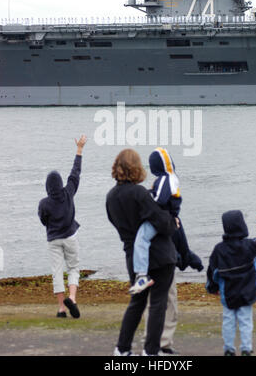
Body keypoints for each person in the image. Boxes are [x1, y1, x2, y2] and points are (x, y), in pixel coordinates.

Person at [131, 147, 203, 355]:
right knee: (166, 302)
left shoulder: (149, 200)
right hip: (163, 259)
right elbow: (176, 233)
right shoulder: (167, 211)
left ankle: (151, 342)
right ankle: (160, 344)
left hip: (151, 257)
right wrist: (187, 257)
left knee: (153, 302)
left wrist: (187, 256)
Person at [106, 149, 178, 356]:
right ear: (137, 168)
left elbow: (115, 223)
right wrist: (173, 222)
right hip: (159, 254)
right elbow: (160, 221)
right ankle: (151, 351)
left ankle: (122, 349)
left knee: (137, 303)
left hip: (132, 256)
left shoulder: (110, 197)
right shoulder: (139, 193)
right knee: (158, 303)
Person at [130, 147, 203, 295]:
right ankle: (189, 259)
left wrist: (144, 196)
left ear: (156, 166)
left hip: (162, 217)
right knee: (179, 244)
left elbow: (159, 199)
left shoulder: (165, 178)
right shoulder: (171, 178)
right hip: (170, 217)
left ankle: (142, 274)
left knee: (141, 239)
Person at [206, 210, 256, 356]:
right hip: (247, 291)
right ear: (242, 225)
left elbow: (212, 270)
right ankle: (246, 349)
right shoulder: (249, 245)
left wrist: (212, 287)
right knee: (245, 321)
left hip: (228, 293)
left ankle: (229, 349)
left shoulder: (219, 249)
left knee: (228, 321)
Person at [38, 135, 87, 318]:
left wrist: (51, 225)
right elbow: (75, 173)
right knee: (74, 268)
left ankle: (61, 308)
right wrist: (79, 150)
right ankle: (72, 298)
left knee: (57, 272)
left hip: (53, 239)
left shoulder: (44, 203)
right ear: (60, 184)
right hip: (70, 236)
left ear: (47, 187)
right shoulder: (68, 193)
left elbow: (43, 220)